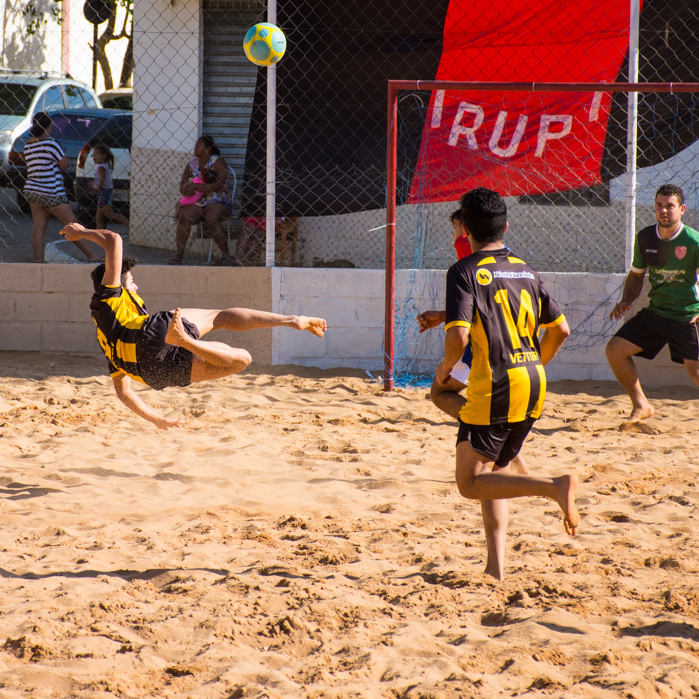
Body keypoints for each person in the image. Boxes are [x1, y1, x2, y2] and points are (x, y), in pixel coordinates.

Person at [59, 221, 327, 429]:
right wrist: (82, 232)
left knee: (241, 359)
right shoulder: (108, 295)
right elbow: (113, 240)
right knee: (219, 316)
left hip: (150, 372)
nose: (136, 285)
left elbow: (124, 394)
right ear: (118, 283)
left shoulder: (106, 335)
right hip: (152, 335)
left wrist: (157, 419)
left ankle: (187, 342)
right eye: (132, 282)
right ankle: (291, 320)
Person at [436, 188, 578, 580]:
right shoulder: (525, 269)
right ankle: (495, 568)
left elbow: (459, 338)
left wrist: (446, 367)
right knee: (492, 473)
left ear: (464, 229)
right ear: (507, 225)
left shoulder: (463, 270)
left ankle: (553, 486)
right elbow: (561, 329)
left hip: (497, 386)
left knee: (470, 482)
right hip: (533, 379)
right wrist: (533, 364)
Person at [417, 210, 528, 473]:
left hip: (482, 344)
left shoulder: (465, 247)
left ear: (466, 229)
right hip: (519, 353)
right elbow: (485, 301)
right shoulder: (514, 261)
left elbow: (472, 306)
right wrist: (446, 316)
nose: (454, 236)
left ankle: (504, 449)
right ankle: (506, 451)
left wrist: (447, 362)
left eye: (456, 228)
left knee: (441, 391)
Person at [606, 183, 699, 423]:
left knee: (695, 371)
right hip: (656, 313)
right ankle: (641, 406)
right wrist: (626, 300)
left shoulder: (694, 242)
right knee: (615, 350)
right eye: (659, 206)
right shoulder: (646, 236)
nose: (664, 211)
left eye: (670, 206)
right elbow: (637, 274)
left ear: (682, 209)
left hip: (686, 315)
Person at [22, 112, 100, 263]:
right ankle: (91, 255)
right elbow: (63, 165)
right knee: (71, 223)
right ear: (48, 127)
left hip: (32, 189)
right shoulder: (52, 143)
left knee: (39, 226)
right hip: (52, 191)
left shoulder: (29, 144)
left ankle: (39, 261)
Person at [170, 135, 233, 266]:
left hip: (217, 199)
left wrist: (194, 186)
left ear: (208, 148)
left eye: (198, 146)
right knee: (185, 216)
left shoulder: (218, 161)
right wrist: (187, 190)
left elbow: (218, 186)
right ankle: (179, 254)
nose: (195, 148)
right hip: (196, 200)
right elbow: (182, 187)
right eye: (195, 145)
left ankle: (226, 256)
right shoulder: (192, 164)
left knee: (211, 218)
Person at [89, 144, 129, 231]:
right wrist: (94, 185)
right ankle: (99, 232)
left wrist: (96, 190)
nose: (94, 157)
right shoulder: (101, 167)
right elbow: (100, 181)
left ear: (104, 156)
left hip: (104, 193)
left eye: (97, 154)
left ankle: (128, 223)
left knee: (110, 214)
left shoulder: (101, 168)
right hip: (103, 192)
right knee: (98, 216)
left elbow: (101, 183)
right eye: (93, 154)